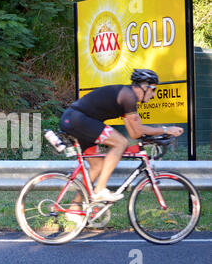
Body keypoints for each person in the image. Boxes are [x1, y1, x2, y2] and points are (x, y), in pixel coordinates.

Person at [59, 69, 184, 221]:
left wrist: (157, 135)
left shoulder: (127, 98)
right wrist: (166, 129)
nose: (154, 95)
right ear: (145, 87)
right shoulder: (128, 96)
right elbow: (137, 130)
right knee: (120, 143)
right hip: (78, 119)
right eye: (154, 90)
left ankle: (74, 208)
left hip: (78, 120)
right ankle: (99, 190)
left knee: (97, 166)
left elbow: (134, 134)